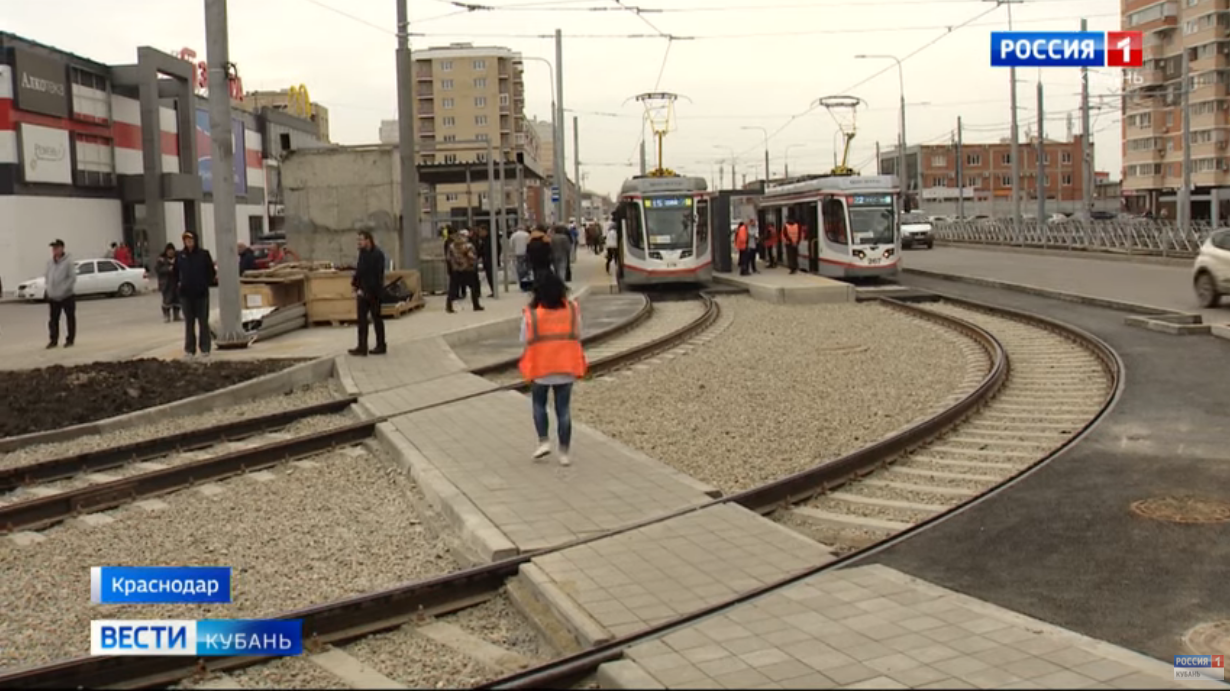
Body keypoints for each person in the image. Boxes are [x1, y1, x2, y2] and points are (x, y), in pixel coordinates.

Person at [518, 271, 586, 467]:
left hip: (540, 368)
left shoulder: (532, 314)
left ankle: (543, 441)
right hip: (566, 366)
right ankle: (564, 453)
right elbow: (579, 332)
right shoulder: (572, 310)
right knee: (563, 410)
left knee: (539, 405)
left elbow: (524, 338)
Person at [173, 230, 216, 359]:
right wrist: (179, 285)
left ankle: (205, 348)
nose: (189, 242)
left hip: (201, 294)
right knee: (189, 322)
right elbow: (175, 273)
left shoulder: (203, 254)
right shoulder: (180, 256)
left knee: (203, 321)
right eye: (186, 240)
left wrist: (204, 283)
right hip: (186, 294)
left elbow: (211, 272)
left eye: (191, 240)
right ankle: (189, 349)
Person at [350, 230, 387, 356]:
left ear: (368, 240)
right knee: (361, 321)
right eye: (358, 240)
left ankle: (381, 345)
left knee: (377, 319)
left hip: (374, 293)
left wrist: (370, 291)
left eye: (361, 240)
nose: (358, 242)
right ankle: (362, 346)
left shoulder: (378, 255)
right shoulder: (362, 254)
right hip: (362, 292)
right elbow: (359, 271)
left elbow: (377, 276)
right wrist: (355, 285)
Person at [45, 239, 76, 349]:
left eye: (57, 248)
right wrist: (48, 289)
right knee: (53, 320)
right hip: (53, 297)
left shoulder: (68, 262)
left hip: (66, 295)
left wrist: (63, 290)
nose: (54, 250)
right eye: (53, 248)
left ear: (62, 248)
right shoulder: (50, 263)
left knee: (70, 318)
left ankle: (70, 339)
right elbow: (47, 277)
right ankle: (53, 340)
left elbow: (72, 278)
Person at [446, 229, 483, 313]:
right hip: (468, 269)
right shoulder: (468, 246)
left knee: (453, 288)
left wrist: (452, 267)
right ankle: (476, 305)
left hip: (456, 270)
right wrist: (473, 264)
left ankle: (449, 306)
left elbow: (448, 258)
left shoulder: (451, 246)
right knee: (473, 287)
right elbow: (473, 257)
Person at [155, 243, 181, 322]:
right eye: (169, 251)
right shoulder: (161, 260)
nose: (170, 252)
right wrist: (168, 269)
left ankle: (176, 315)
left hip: (176, 282)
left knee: (177, 299)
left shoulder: (178, 258)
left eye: (172, 251)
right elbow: (158, 269)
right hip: (166, 283)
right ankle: (167, 316)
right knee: (167, 300)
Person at [474, 225, 495, 298]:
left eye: (481, 231)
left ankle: (494, 291)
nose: (480, 233)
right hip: (486, 260)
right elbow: (481, 251)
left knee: (491, 276)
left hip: (490, 260)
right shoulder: (483, 240)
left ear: (485, 231)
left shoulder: (490, 239)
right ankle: (493, 290)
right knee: (489, 276)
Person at [510, 225, 531, 291]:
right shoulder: (527, 234)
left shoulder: (514, 235)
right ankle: (527, 283)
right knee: (527, 268)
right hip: (526, 253)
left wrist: (513, 251)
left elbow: (511, 244)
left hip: (518, 253)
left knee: (519, 267)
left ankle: (521, 282)